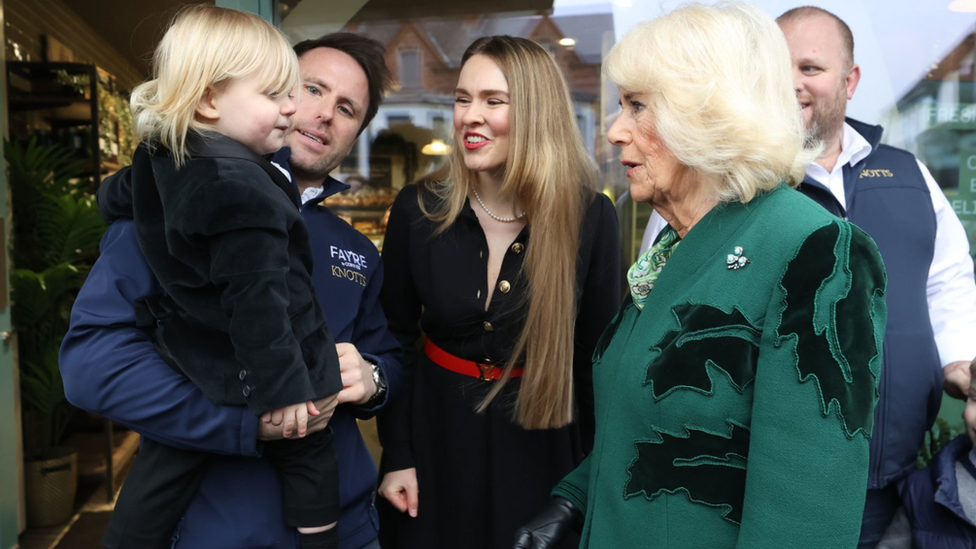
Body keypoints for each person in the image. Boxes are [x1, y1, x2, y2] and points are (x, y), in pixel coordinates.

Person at [514, 4, 887, 548]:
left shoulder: (814, 248)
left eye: (638, 106)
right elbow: (647, 417)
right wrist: (572, 499)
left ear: (710, 113)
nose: (617, 131)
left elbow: (805, 512)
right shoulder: (674, 242)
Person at [59, 22, 400, 549]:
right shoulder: (173, 213)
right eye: (308, 88)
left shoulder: (356, 249)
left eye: (348, 108)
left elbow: (394, 357)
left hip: (344, 527)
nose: (323, 112)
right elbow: (92, 367)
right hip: (212, 530)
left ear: (355, 134)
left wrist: (372, 377)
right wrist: (248, 422)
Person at [375, 35, 622, 549]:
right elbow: (394, 339)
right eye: (463, 99)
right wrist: (398, 455)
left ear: (535, 112)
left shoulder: (589, 216)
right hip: (436, 439)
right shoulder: (418, 209)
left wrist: (585, 488)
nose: (470, 116)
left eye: (493, 101)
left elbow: (599, 362)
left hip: (545, 442)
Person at [773, 7, 976, 547]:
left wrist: (958, 361)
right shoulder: (734, 181)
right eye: (776, 68)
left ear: (850, 81)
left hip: (892, 483)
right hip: (774, 488)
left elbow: (948, 278)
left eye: (810, 68)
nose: (791, 83)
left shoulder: (908, 174)